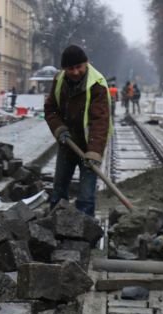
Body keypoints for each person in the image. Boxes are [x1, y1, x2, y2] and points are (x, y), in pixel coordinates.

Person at [43, 45, 111, 216]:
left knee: (86, 196)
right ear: (64, 68)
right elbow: (50, 108)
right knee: (58, 191)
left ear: (86, 63)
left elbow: (100, 121)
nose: (74, 72)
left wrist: (94, 153)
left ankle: (85, 233)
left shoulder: (97, 84)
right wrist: (59, 128)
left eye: (78, 67)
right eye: (70, 68)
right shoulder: (59, 80)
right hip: (67, 143)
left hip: (90, 146)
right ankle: (55, 227)